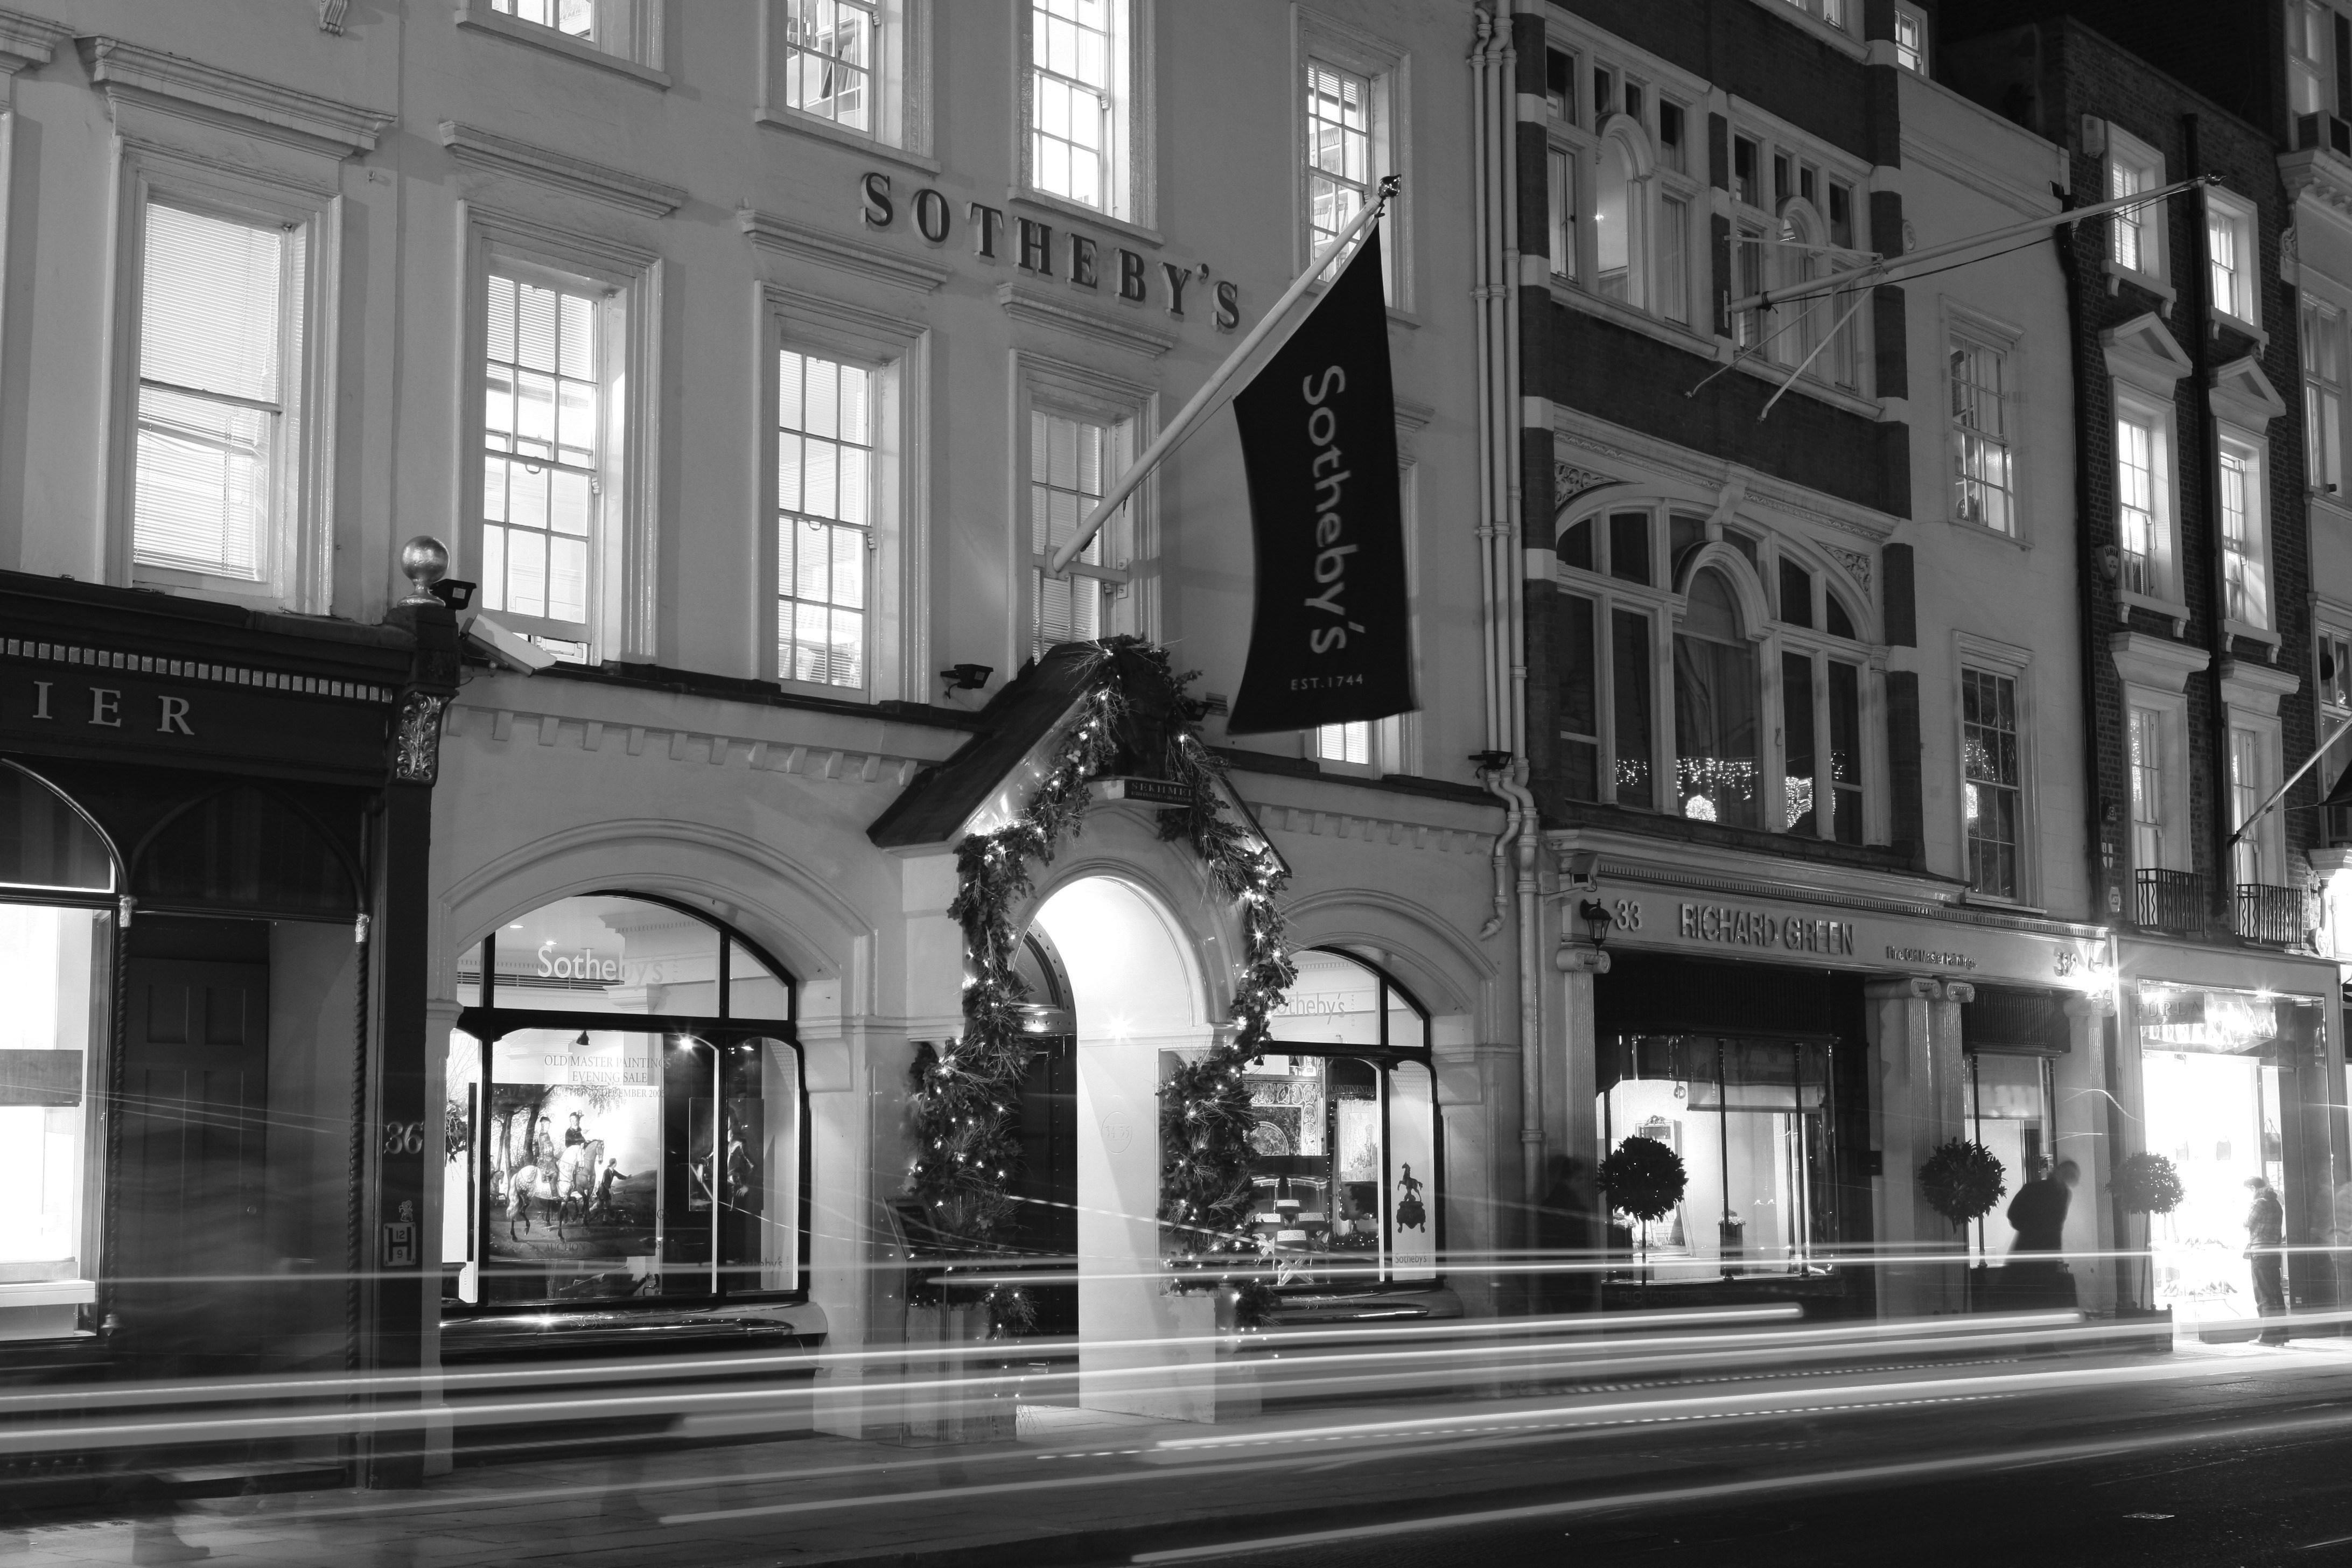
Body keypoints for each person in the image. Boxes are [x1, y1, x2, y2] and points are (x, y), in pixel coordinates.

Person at [2003, 1158, 2079, 1310]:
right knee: (2039, 1298)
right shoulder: (2064, 1194)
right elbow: (2057, 1226)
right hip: (2044, 1254)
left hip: (2028, 1250)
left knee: (2024, 1298)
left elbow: (2013, 1215)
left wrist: (2030, 1231)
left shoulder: (2035, 1189)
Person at [2246, 1175, 2289, 1346]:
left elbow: (2247, 1222)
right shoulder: (2276, 1204)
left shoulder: (2259, 1203)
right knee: (2276, 1293)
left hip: (2260, 1253)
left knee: (2263, 1294)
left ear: (2253, 1188)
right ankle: (2282, 1335)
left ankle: (2268, 1336)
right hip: (2273, 1252)